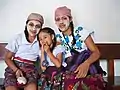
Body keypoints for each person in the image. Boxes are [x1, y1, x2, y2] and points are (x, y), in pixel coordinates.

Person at [54, 6, 107, 90]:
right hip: (70, 70)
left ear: (70, 19)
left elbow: (96, 52)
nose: (61, 22)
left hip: (87, 67)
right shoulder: (57, 38)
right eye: (58, 19)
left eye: (64, 18)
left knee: (89, 84)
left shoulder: (80, 31)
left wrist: (86, 64)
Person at [4, 13, 44, 90]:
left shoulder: (40, 41)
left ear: (41, 28)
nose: (34, 29)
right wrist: (16, 70)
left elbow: (43, 61)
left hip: (30, 70)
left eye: (37, 26)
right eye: (31, 25)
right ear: (26, 25)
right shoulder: (18, 38)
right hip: (14, 68)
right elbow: (7, 58)